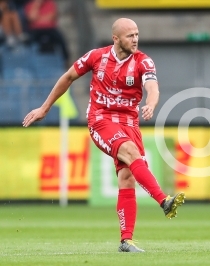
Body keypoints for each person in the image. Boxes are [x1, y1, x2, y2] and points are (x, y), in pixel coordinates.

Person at [22, 18, 186, 253]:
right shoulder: (96, 57)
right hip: (101, 120)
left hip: (130, 123)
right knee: (130, 151)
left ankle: (126, 241)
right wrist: (45, 108)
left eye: (137, 34)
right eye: (130, 35)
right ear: (116, 39)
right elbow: (68, 77)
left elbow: (153, 87)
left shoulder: (143, 61)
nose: (135, 39)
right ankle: (163, 200)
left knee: (127, 177)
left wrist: (151, 104)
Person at [24, 0, 69, 65]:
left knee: (61, 40)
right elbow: (31, 18)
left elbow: (51, 17)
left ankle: (66, 60)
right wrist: (37, 6)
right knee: (28, 42)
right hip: (35, 30)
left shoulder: (50, 3)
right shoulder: (30, 5)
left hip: (50, 29)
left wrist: (38, 19)